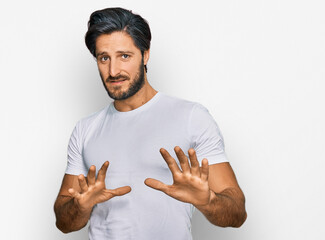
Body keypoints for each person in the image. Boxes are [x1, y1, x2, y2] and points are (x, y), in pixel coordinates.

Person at [54, 7, 247, 240]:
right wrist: (80, 207)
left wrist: (208, 201)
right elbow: (63, 222)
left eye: (124, 56)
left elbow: (237, 213)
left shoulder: (191, 117)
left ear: (145, 55)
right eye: (104, 58)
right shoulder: (85, 130)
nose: (113, 70)